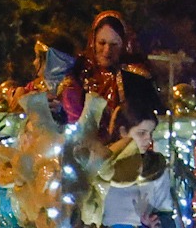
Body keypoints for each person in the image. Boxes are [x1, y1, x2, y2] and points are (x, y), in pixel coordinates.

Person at [57, 10, 165, 143]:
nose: (107, 50)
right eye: (102, 43)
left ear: (124, 45)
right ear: (93, 42)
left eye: (114, 45)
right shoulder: (79, 72)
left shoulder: (137, 77)